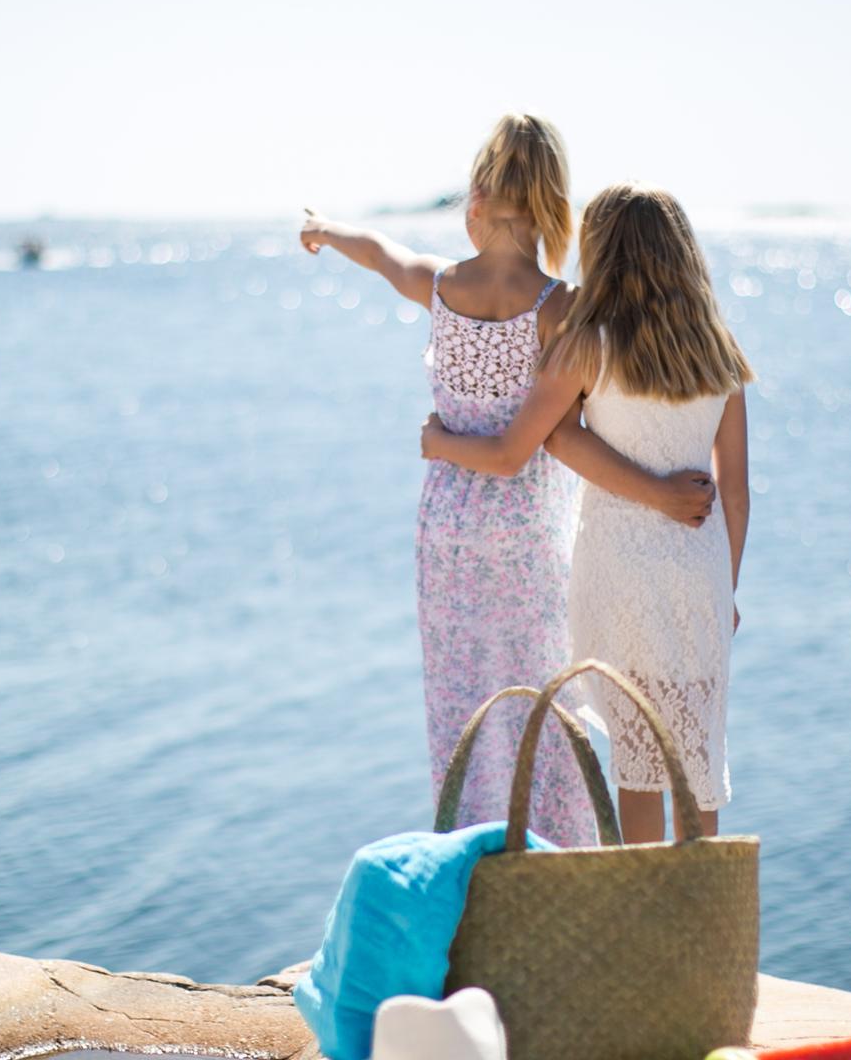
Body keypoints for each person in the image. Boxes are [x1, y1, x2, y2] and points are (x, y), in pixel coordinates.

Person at [301, 116, 716, 846]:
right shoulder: (560, 306)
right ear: (554, 203)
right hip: (529, 533)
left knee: (466, 707)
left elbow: (380, 254)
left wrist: (329, 230)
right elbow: (557, 434)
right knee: (547, 707)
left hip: (450, 528)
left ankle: (477, 866)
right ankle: (559, 866)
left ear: (477, 197)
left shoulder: (439, 285)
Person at [420, 182, 752, 842]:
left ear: (603, 254)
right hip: (700, 566)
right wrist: (728, 586)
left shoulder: (587, 345)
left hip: (618, 568)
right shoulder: (720, 351)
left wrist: (442, 443)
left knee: (638, 763)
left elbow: (540, 439)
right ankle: (707, 912)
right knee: (695, 752)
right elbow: (735, 490)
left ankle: (640, 915)